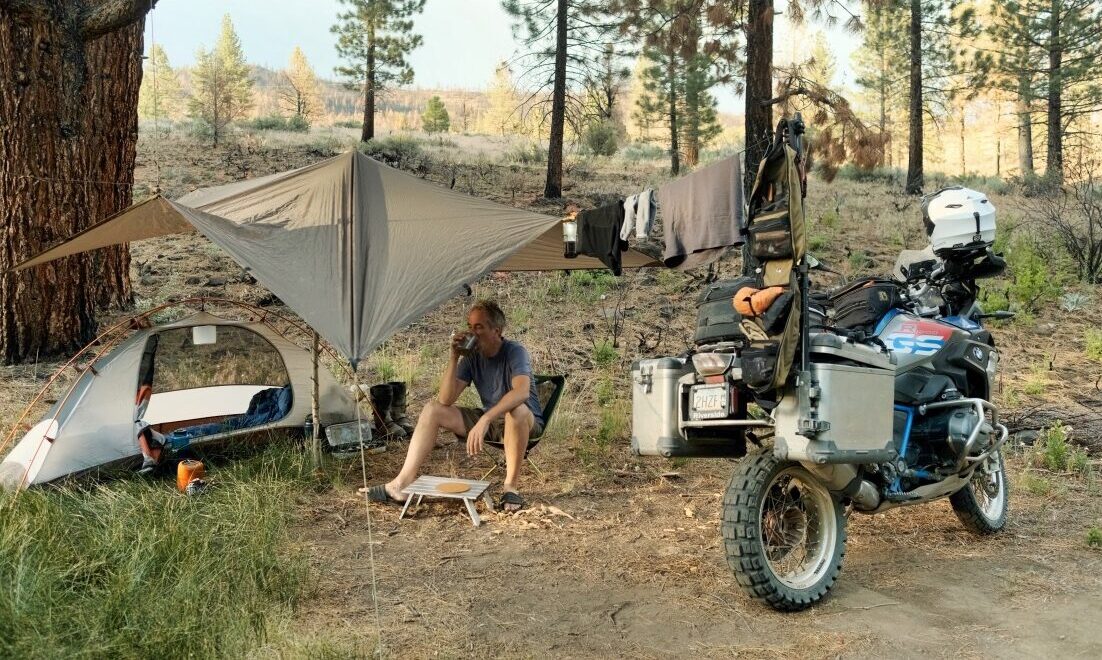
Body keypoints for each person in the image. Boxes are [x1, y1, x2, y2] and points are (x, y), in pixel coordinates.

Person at [365, 300, 544, 512]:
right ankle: (402, 483)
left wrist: (485, 419)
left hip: (524, 423)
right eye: (470, 327)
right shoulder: (472, 357)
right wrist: (454, 357)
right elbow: (445, 401)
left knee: (517, 410)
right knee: (432, 409)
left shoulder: (515, 351)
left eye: (479, 327)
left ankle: (510, 487)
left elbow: (521, 392)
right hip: (492, 421)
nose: (472, 333)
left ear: (497, 330)